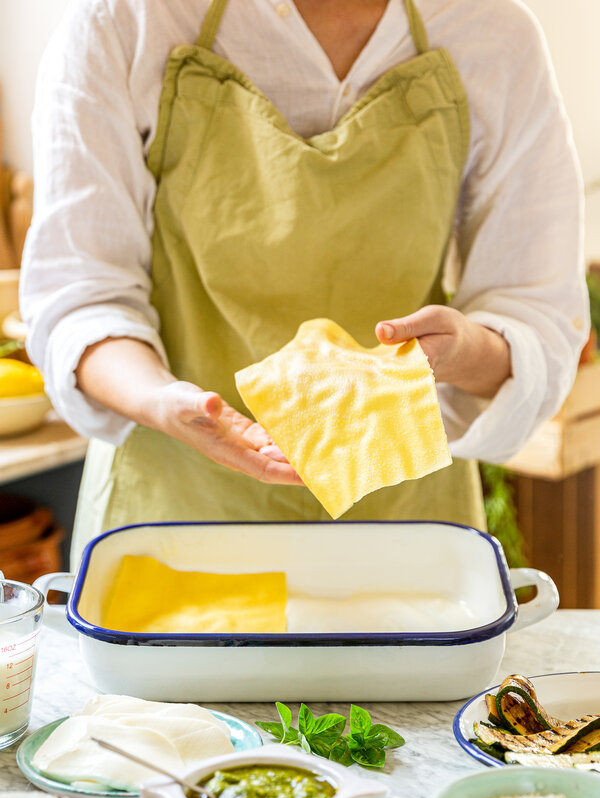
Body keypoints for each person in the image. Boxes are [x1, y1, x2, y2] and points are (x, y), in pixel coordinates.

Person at [20, 0, 589, 564]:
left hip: (405, 531)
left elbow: (536, 312)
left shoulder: (490, 33)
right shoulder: (124, 21)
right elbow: (82, 299)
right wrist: (163, 401)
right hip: (177, 525)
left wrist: (463, 352)